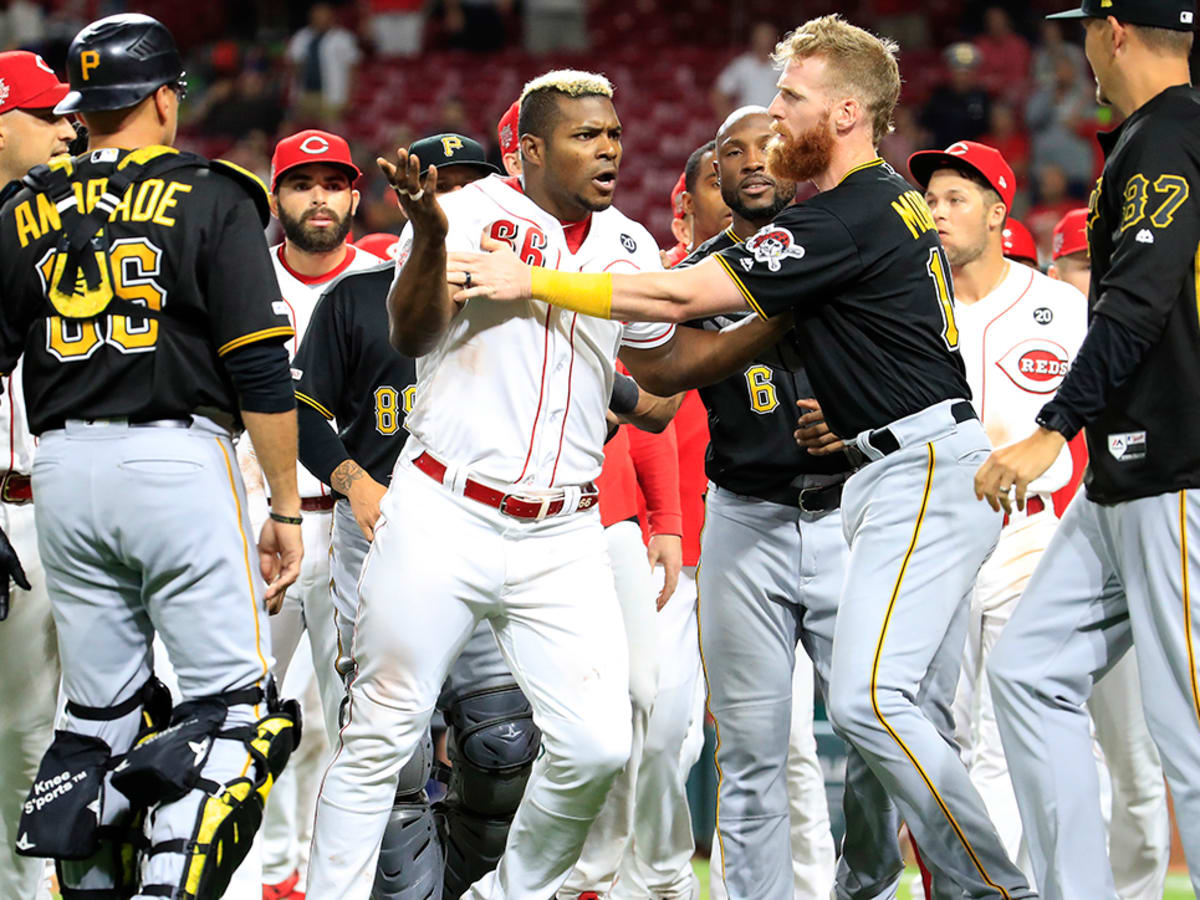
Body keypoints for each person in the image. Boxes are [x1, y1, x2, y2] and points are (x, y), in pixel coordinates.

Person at [450, 18, 1038, 899]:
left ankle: (990, 887)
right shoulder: (867, 210)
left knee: (877, 707)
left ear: (844, 112)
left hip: (906, 473)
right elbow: (680, 358)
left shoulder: (848, 212)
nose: (775, 115)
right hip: (860, 478)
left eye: (792, 100)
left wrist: (535, 282)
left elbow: (683, 293)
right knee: (842, 721)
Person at [307, 68, 789, 899]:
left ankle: (508, 893)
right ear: (530, 148)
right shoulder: (465, 214)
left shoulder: (628, 243)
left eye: (613, 134)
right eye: (585, 136)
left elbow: (665, 370)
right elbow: (411, 327)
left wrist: (777, 318)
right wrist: (425, 236)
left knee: (599, 745)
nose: (609, 149)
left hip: (562, 533)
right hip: (445, 511)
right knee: (380, 735)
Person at [0, 13, 303, 898]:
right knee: (234, 712)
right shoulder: (214, 193)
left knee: (98, 716)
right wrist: (284, 506)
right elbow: (257, 366)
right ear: (167, 97)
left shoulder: (23, 207)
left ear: (84, 106)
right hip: (176, 460)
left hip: (59, 475)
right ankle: (167, 887)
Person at [979, 1, 1200, 878]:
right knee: (1028, 670)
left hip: (1175, 470)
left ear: (1114, 33)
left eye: (1084, 31)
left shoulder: (1168, 136)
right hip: (1122, 483)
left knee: (1187, 734)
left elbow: (1138, 305)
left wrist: (1050, 429)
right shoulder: (1153, 136)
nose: (1080, 48)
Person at [666, 105, 852, 900]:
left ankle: (868, 883)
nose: (749, 162)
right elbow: (660, 377)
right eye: (730, 154)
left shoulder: (847, 242)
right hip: (745, 516)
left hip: (853, 515)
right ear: (715, 180)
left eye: (767, 147)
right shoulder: (699, 279)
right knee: (750, 757)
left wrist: (856, 422)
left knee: (883, 730)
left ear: (796, 161)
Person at [251, 127, 381, 899]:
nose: (320, 197)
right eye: (303, 183)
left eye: (334, 182)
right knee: (245, 711)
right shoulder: (241, 280)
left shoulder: (382, 280)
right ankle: (265, 875)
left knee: (354, 725)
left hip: (355, 526)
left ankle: (342, 879)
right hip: (261, 523)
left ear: (356, 196)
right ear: (278, 199)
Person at [0, 49, 75, 900]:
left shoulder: (71, 219)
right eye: (46, 112)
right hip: (9, 504)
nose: (66, 126)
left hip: (68, 503)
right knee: (19, 731)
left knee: (58, 730)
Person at [286, 3, 361, 123]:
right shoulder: (301, 37)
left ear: (331, 17)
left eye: (323, 16)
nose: (320, 19)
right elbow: (294, 64)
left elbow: (353, 68)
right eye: (317, 16)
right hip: (305, 94)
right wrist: (293, 93)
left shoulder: (343, 38)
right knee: (304, 133)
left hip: (333, 95)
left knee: (329, 134)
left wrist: (350, 97)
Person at [711, 22, 783, 119]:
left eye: (767, 36)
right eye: (760, 36)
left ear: (775, 39)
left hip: (776, 124)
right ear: (753, 39)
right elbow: (718, 94)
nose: (764, 40)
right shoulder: (742, 65)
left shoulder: (783, 65)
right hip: (748, 125)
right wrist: (731, 122)